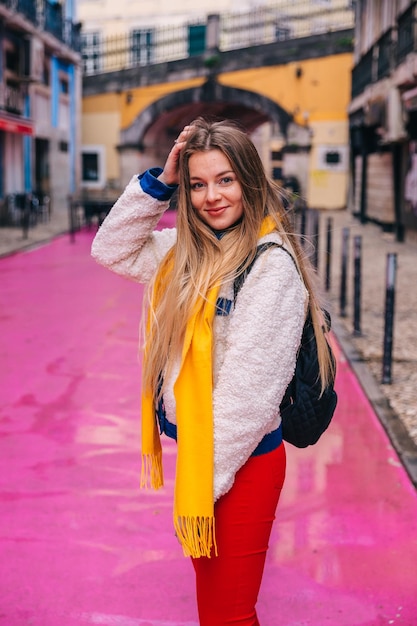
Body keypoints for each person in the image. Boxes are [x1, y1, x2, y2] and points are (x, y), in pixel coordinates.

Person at [91, 117, 334, 625]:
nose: (211, 197)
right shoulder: (185, 252)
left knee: (228, 615)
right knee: (217, 610)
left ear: (249, 180)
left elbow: (247, 400)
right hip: (205, 459)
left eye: (225, 180)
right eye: (198, 184)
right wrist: (164, 182)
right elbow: (110, 248)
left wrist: (200, 491)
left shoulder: (271, 267)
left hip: (240, 463)